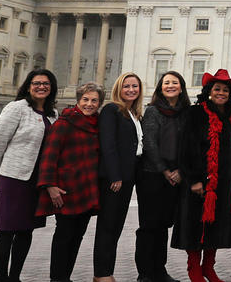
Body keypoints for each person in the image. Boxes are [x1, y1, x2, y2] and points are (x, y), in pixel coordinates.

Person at [173, 69, 231, 282]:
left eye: (225, 90)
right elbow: (187, 148)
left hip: (223, 181)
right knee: (195, 226)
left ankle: (208, 267)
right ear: (209, 91)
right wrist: (194, 179)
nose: (221, 93)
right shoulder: (196, 113)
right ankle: (194, 268)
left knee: (216, 227)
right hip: (200, 180)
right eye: (217, 89)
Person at [0, 69, 57, 282]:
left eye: (46, 83)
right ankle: (2, 278)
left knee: (27, 230)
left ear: (51, 88)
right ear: (28, 86)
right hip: (15, 178)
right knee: (8, 230)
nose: (41, 87)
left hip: (38, 180)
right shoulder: (17, 108)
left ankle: (15, 277)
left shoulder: (53, 114)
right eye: (36, 83)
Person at [38, 82, 101, 282]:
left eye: (94, 100)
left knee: (77, 237)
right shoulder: (65, 123)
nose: (89, 104)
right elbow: (49, 155)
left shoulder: (96, 123)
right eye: (85, 100)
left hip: (86, 187)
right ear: (78, 100)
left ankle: (65, 277)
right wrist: (50, 185)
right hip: (65, 189)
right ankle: (57, 278)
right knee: (64, 236)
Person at [138, 70, 190, 282]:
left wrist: (180, 170)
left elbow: (189, 144)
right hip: (152, 175)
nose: (170, 86)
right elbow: (149, 143)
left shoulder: (186, 112)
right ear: (160, 87)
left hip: (176, 176)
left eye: (174, 83)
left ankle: (160, 271)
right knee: (149, 226)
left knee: (163, 226)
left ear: (181, 87)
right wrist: (165, 170)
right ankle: (145, 274)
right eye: (166, 82)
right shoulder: (152, 111)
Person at [94, 71, 144, 282]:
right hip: (114, 179)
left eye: (134, 86)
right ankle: (102, 274)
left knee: (116, 227)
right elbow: (108, 144)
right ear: (118, 89)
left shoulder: (133, 113)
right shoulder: (111, 110)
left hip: (128, 177)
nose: (131, 90)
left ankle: (106, 272)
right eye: (126, 86)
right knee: (107, 226)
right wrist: (115, 175)